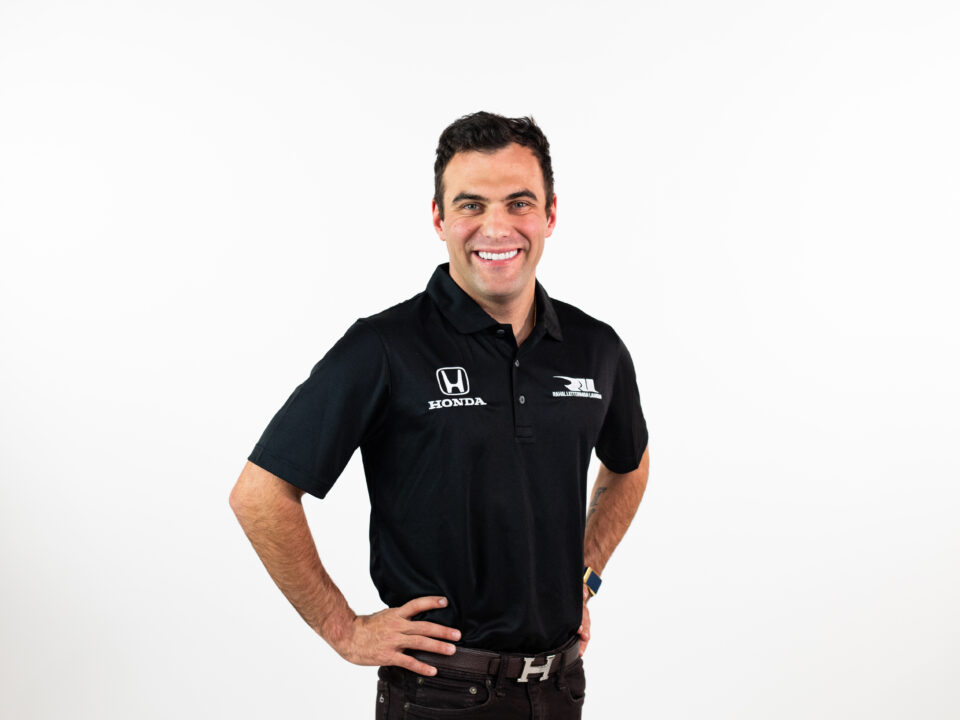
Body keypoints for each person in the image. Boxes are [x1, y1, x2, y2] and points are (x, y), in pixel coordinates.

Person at [229, 111, 650, 719]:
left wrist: (584, 572)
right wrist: (343, 628)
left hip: (560, 689)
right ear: (439, 218)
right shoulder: (384, 347)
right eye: (471, 205)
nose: (496, 227)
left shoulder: (596, 348)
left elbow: (629, 464)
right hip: (440, 695)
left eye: (519, 203)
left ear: (551, 215)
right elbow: (259, 494)